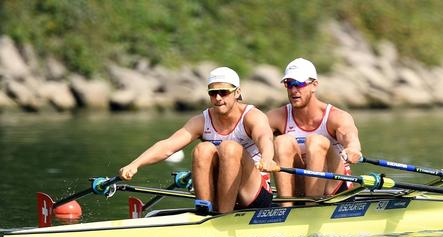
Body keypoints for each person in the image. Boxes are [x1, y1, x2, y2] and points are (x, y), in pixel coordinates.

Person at [119, 66, 276, 214]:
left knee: (229, 148)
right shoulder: (202, 120)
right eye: (213, 93)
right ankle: (205, 210)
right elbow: (168, 146)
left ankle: (223, 216)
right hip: (221, 192)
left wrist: (267, 159)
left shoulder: (252, 116)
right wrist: (135, 164)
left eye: (224, 92)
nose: (218, 98)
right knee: (203, 149)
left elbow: (265, 138)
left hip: (253, 194)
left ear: (237, 92)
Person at [267, 58, 362, 204]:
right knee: (282, 141)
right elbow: (254, 136)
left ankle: (312, 206)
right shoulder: (278, 116)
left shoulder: (336, 116)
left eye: (298, 84)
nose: (293, 90)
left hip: (334, 188)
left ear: (314, 85)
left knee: (315, 141)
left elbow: (349, 135)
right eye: (289, 84)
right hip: (299, 186)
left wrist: (353, 149)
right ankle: (285, 208)